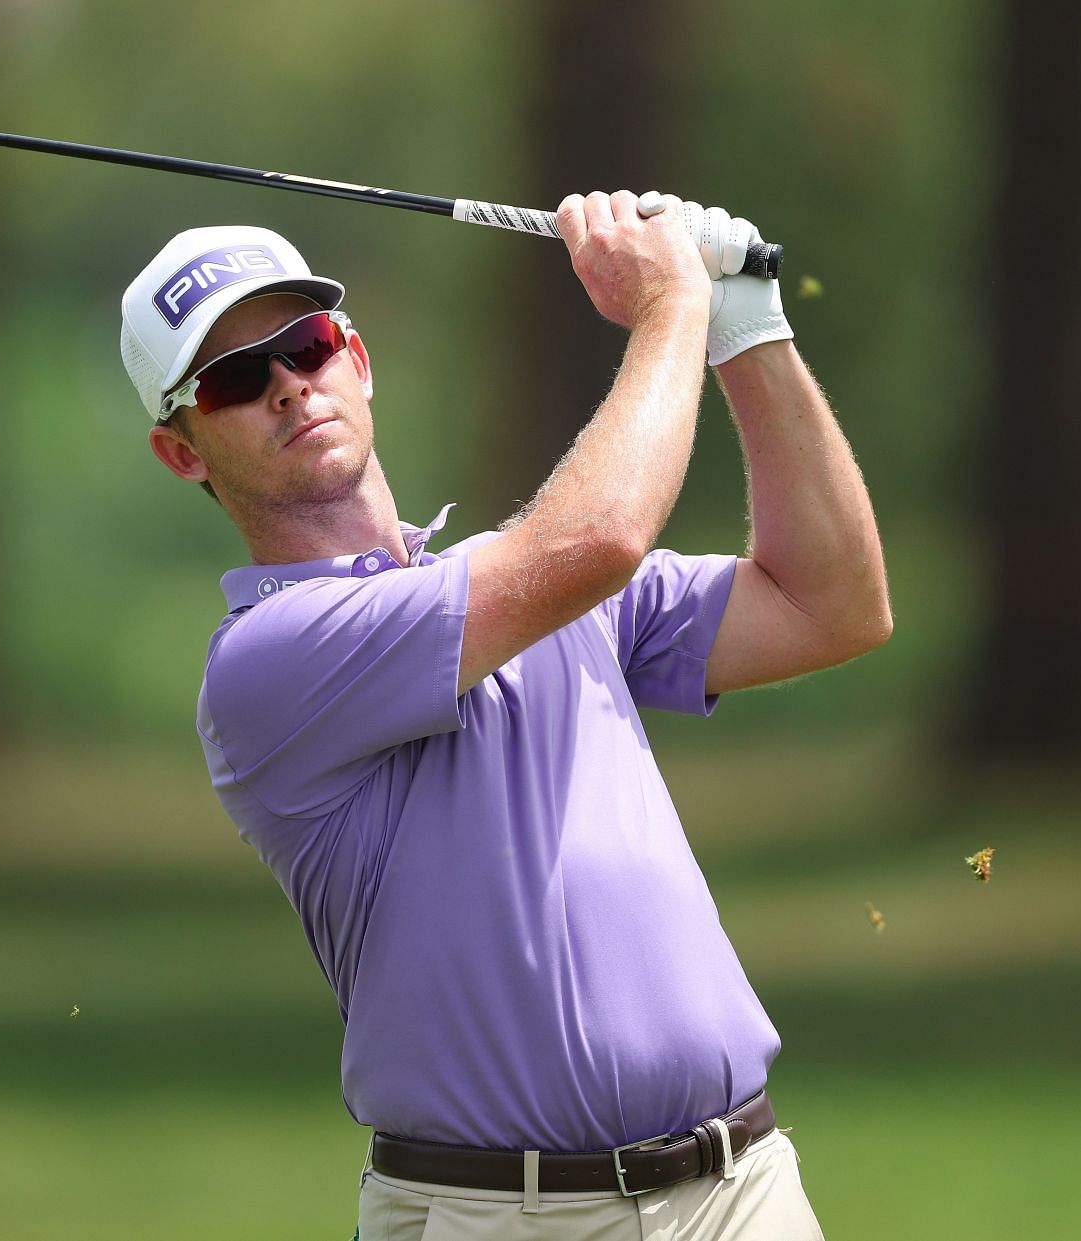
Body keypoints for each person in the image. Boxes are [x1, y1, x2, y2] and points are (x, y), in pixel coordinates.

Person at [118, 190, 889, 1240]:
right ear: (184, 451)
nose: (292, 385)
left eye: (307, 344)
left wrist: (747, 320)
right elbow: (601, 536)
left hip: (741, 1190)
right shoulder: (267, 663)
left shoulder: (537, 590)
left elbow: (832, 603)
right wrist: (673, 306)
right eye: (236, 379)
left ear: (359, 357)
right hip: (498, 1215)